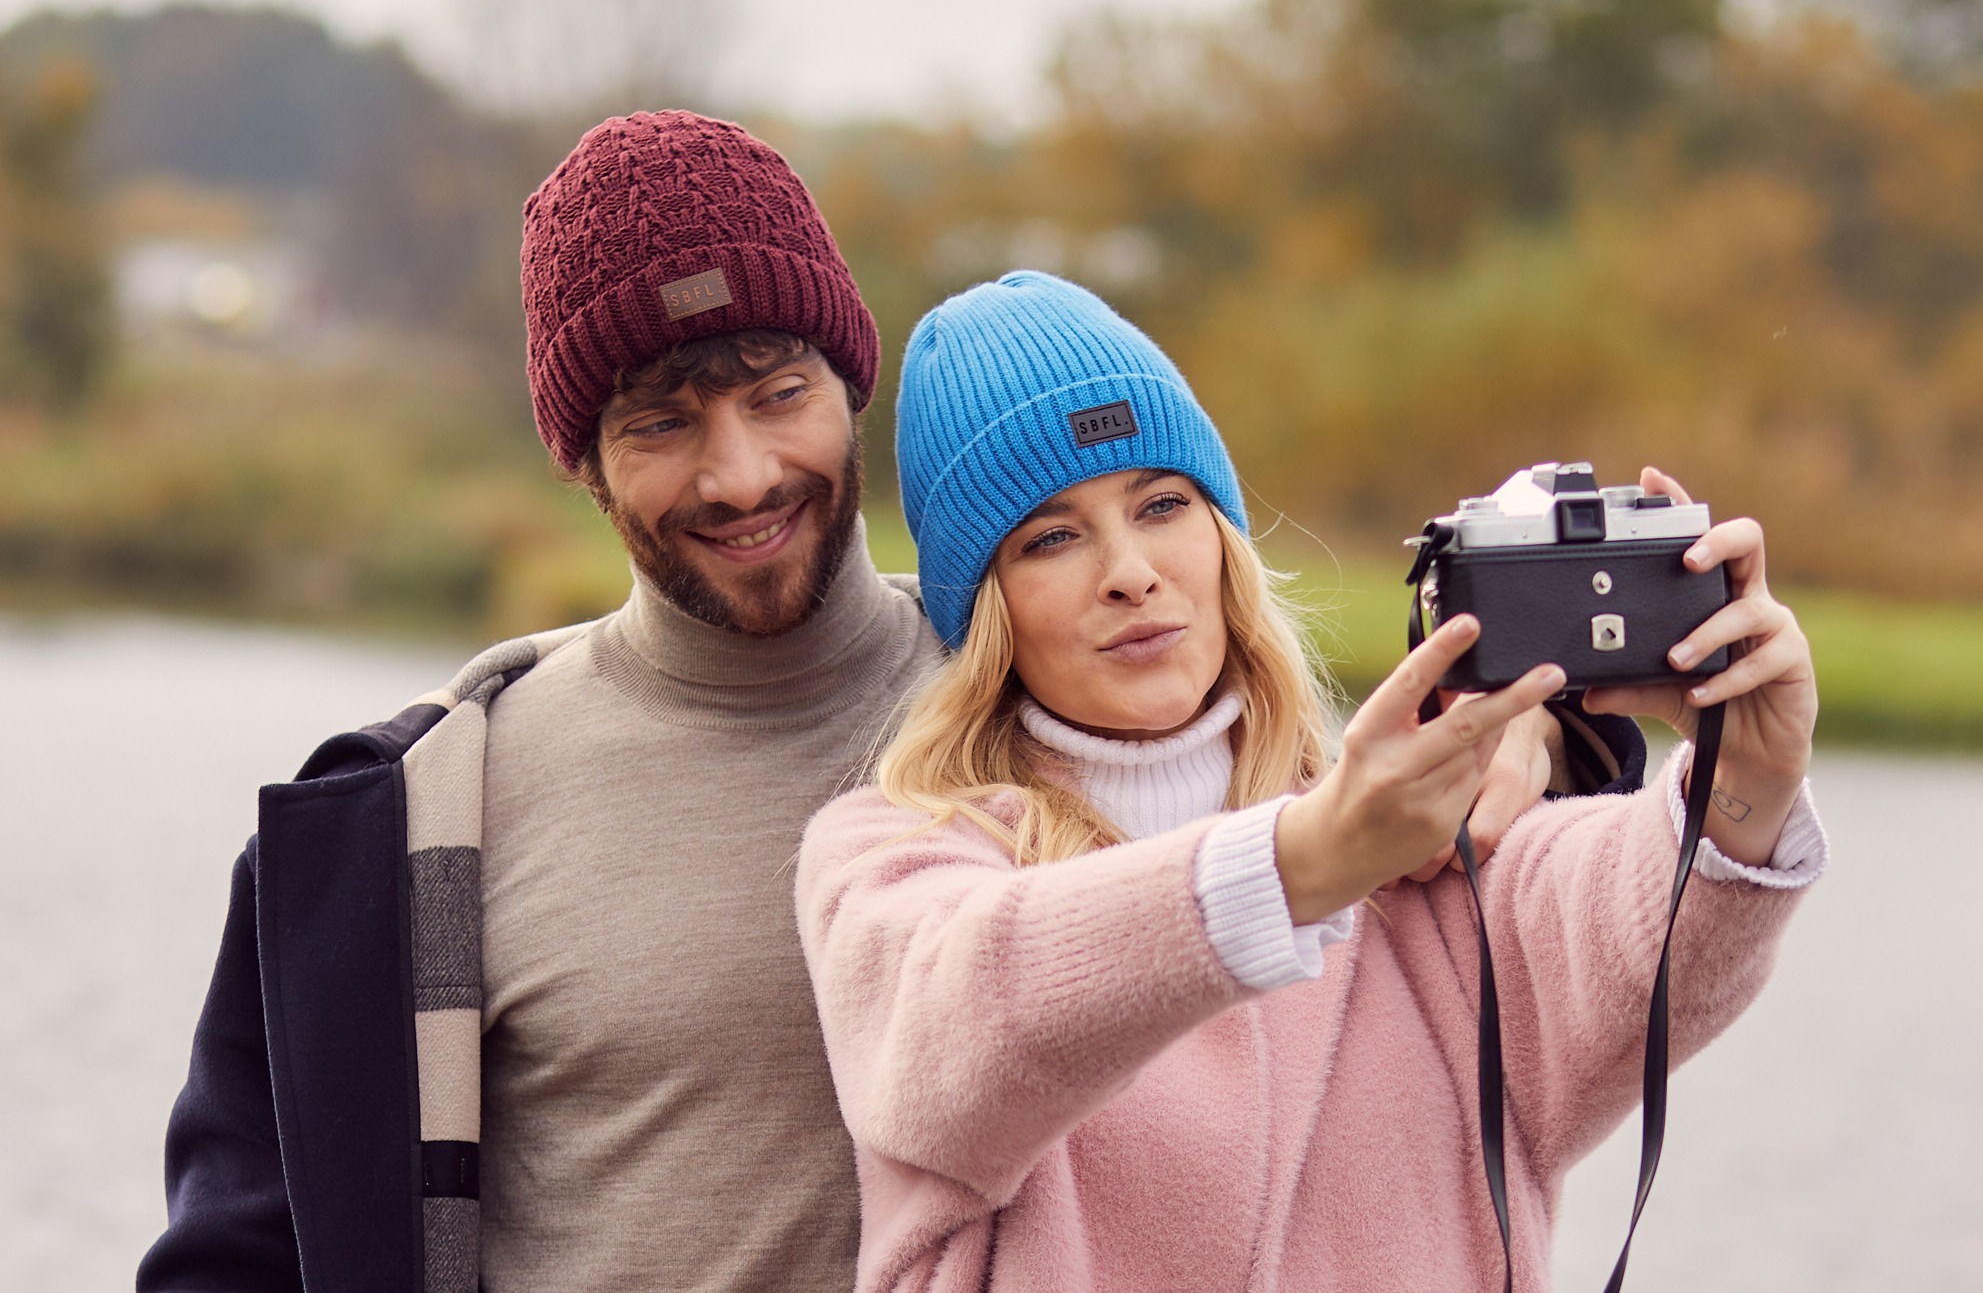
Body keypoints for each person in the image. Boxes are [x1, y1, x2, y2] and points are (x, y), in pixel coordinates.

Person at [137, 116, 1594, 1293]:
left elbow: (1391, 874)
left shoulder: (1072, 681)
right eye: (658, 423)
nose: (738, 473)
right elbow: (235, 1259)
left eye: (776, 393)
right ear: (581, 463)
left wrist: (1549, 730)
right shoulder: (412, 821)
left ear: (853, 387)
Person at [795, 271, 1827, 1291]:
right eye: (1052, 536)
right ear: (982, 608)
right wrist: (1305, 859)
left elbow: (1639, 921)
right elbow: (968, 1017)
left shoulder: (1417, 848)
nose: (1130, 569)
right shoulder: (891, 857)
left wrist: (1748, 775)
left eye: (1162, 503)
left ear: (1223, 539)